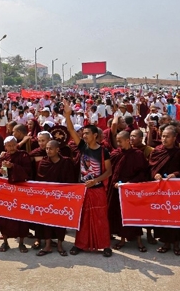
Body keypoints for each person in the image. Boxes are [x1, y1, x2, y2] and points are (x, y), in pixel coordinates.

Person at [64, 100, 113, 258]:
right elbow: (71, 129)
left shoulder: (104, 151)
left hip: (97, 190)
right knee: (82, 218)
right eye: (83, 134)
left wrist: (96, 180)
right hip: (83, 189)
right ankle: (80, 244)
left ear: (95, 136)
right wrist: (67, 114)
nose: (83, 136)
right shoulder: (82, 147)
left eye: (86, 134)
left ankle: (105, 245)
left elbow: (109, 172)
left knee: (100, 218)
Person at [149, 125, 180, 256]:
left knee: (175, 215)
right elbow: (150, 167)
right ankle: (165, 242)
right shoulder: (157, 151)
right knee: (163, 215)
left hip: (175, 189)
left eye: (167, 136)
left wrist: (176, 174)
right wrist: (155, 174)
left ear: (174, 138)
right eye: (163, 136)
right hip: (160, 189)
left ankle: (176, 243)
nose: (164, 139)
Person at [34, 140, 76, 257]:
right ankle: (47, 245)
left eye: (50, 148)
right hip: (47, 197)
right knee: (47, 220)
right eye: (47, 148)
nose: (48, 151)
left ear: (57, 150)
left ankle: (59, 245)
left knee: (60, 221)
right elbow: (40, 180)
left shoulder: (66, 162)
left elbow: (70, 180)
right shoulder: (44, 162)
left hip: (61, 197)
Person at [108, 131, 148, 252]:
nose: (118, 143)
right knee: (118, 214)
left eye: (120, 141)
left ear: (127, 141)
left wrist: (130, 183)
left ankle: (139, 240)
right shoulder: (115, 153)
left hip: (131, 189)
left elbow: (143, 172)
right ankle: (122, 239)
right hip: (116, 189)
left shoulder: (137, 154)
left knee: (134, 214)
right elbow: (110, 170)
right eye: (117, 141)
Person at [0, 136, 32, 253]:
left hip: (20, 191)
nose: (11, 148)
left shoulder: (23, 155)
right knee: (4, 217)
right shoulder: (3, 157)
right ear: (5, 147)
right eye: (8, 146)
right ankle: (5, 242)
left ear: (17, 145)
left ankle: (21, 243)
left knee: (21, 217)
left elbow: (27, 171)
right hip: (6, 192)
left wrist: (13, 166)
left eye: (13, 145)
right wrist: (1, 171)